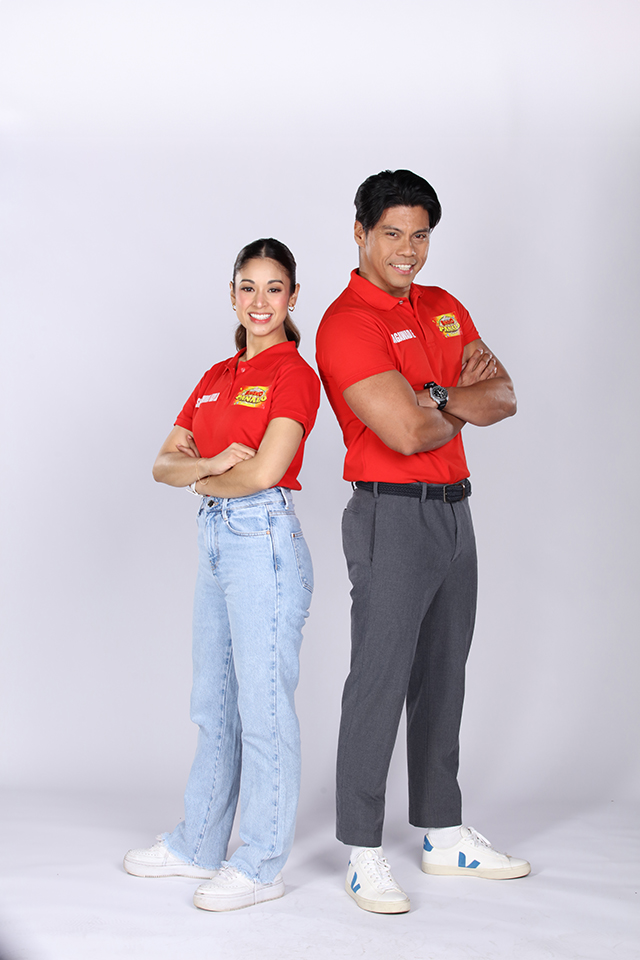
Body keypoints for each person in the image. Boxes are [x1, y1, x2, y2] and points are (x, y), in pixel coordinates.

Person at [316, 169, 530, 914]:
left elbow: (505, 395)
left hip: (453, 512)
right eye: (391, 234)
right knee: (379, 678)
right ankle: (362, 851)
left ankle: (443, 833)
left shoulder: (443, 307)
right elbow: (405, 433)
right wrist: (447, 403)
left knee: (444, 674)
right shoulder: (347, 323)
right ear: (360, 234)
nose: (407, 250)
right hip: (390, 514)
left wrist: (436, 397)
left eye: (420, 235)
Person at [124, 238, 320, 912]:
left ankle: (261, 863)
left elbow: (266, 471)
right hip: (215, 537)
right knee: (213, 702)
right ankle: (198, 844)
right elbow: (162, 464)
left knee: (263, 709)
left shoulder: (295, 374)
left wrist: (199, 473)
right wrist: (208, 466)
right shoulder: (215, 376)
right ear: (232, 295)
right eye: (248, 287)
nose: (260, 301)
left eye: (274, 288)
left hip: (262, 540)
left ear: (293, 297)